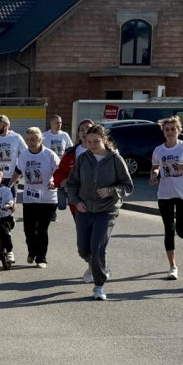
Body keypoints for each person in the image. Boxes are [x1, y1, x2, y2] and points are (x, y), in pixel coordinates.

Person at [66, 124, 133, 300]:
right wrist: (76, 201)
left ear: (104, 139)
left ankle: (99, 286)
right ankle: (94, 264)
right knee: (83, 249)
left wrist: (111, 191)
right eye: (89, 142)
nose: (93, 145)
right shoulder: (82, 159)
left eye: (96, 141)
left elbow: (128, 185)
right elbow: (72, 184)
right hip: (85, 209)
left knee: (97, 247)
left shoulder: (115, 159)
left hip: (107, 210)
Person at [150, 116, 183, 280]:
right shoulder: (159, 150)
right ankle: (173, 266)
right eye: (167, 129)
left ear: (179, 131)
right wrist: (154, 175)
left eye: (173, 129)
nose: (170, 132)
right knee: (169, 230)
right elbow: (156, 166)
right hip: (165, 194)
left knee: (180, 230)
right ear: (163, 132)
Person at [9, 127, 60, 267]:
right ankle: (32, 251)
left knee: (42, 230)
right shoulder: (24, 155)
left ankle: (41, 259)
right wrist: (8, 186)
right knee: (29, 229)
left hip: (48, 198)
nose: (30, 142)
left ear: (40, 140)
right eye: (28, 140)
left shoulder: (49, 155)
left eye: (33, 140)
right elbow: (18, 171)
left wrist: (56, 182)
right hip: (30, 198)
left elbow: (60, 172)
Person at [52, 118, 95, 218]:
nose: (84, 132)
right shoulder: (71, 152)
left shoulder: (102, 152)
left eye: (88, 129)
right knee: (82, 232)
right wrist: (61, 181)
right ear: (78, 134)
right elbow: (60, 171)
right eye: (81, 130)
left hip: (97, 200)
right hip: (76, 200)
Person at [42, 115, 73, 220]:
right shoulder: (45, 136)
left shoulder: (64, 135)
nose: (59, 124)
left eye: (60, 122)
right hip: (49, 166)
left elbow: (70, 150)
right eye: (56, 122)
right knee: (49, 189)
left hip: (61, 167)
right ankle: (49, 210)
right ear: (51, 124)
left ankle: (54, 210)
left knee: (59, 189)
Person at [0, 114, 27, 185]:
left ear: (6, 125)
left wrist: (20, 172)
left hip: (12, 177)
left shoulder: (16, 137)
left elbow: (25, 154)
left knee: (12, 196)